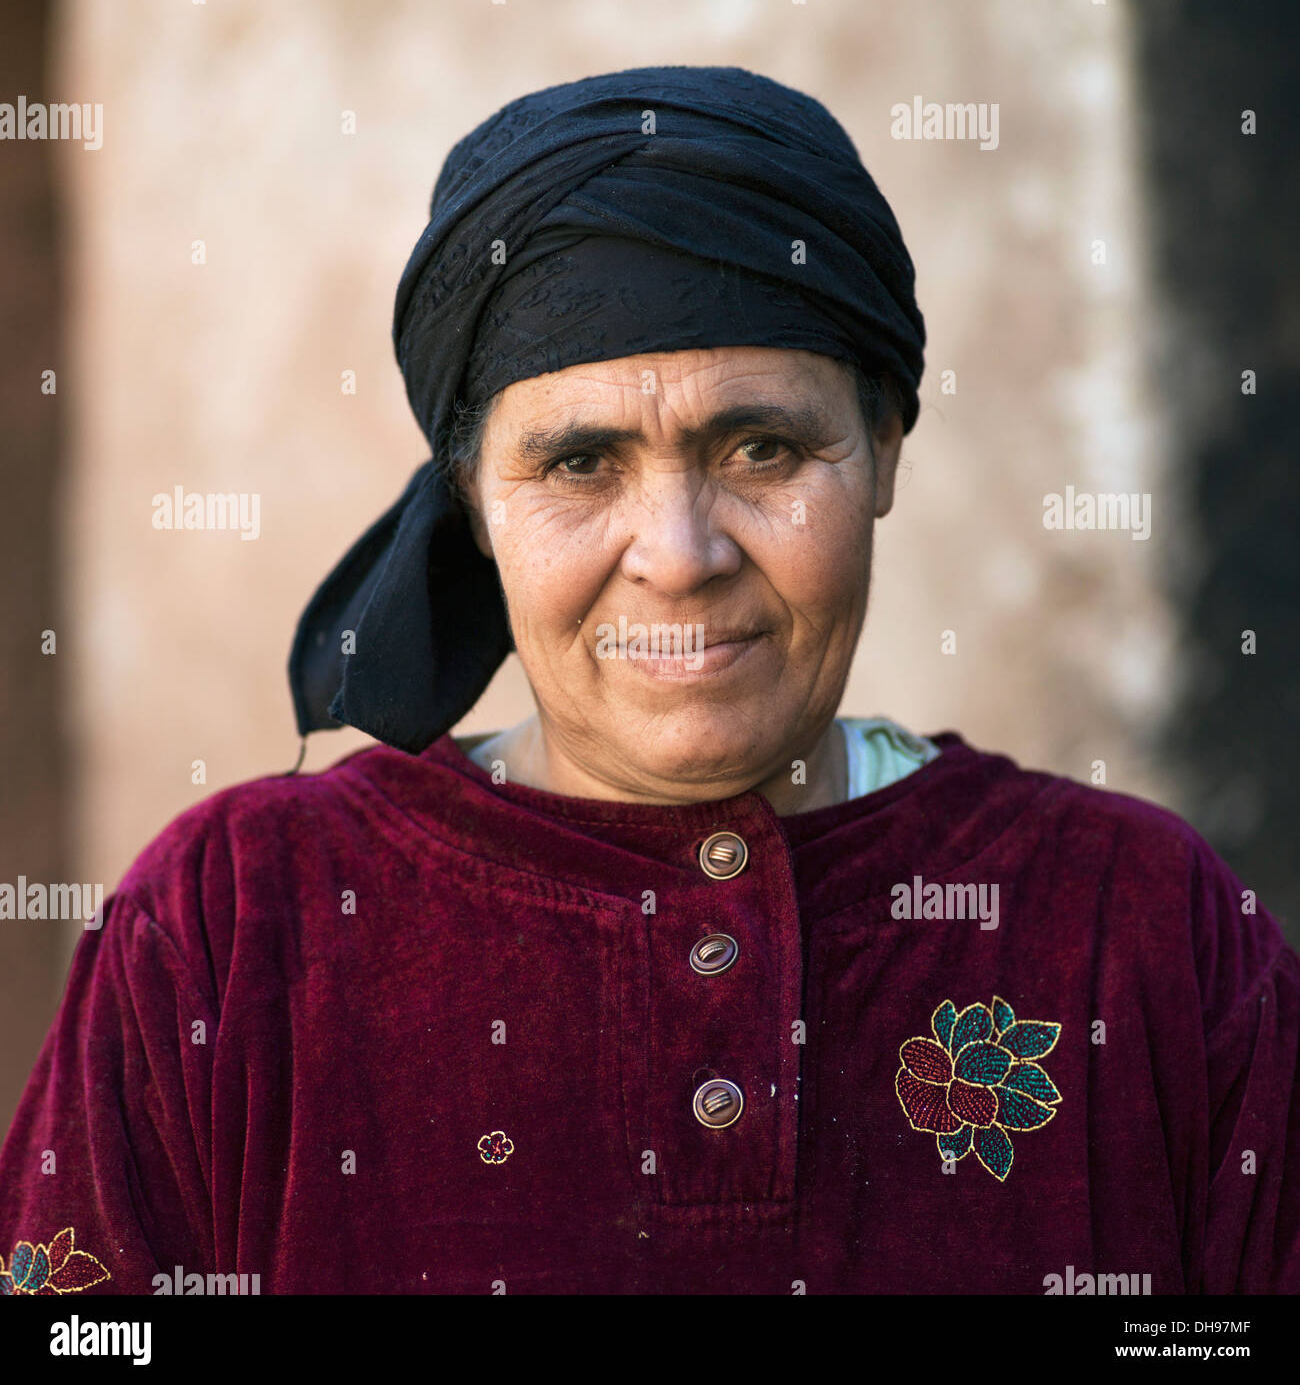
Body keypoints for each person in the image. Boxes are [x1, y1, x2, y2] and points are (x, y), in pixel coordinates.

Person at [1, 66, 1296, 1297]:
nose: (680, 558)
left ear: (887, 447)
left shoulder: (1145, 929)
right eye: (579, 465)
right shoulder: (228, 933)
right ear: (474, 502)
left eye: (764, 446)